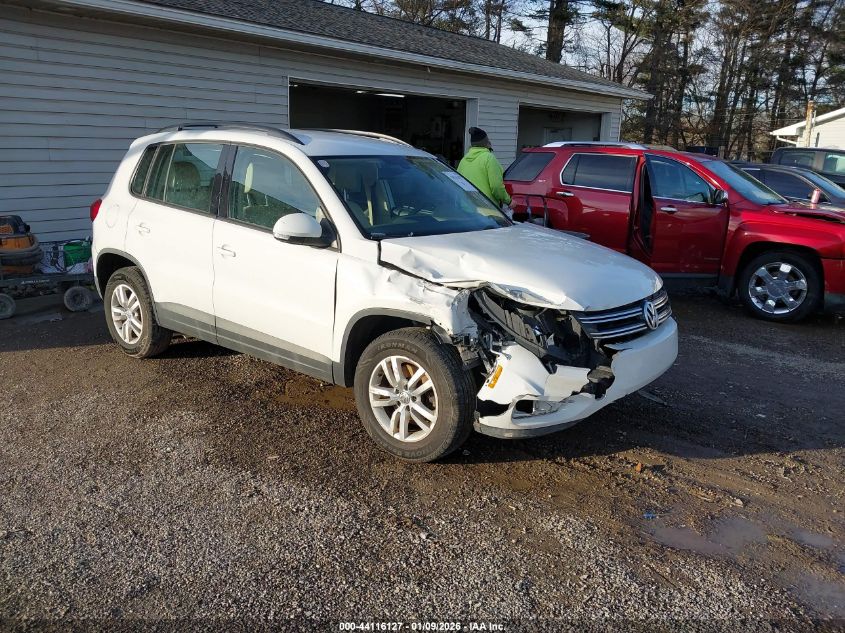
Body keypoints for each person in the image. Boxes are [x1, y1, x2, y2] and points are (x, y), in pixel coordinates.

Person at [457, 127, 512, 210]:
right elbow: (496, 186)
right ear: (487, 143)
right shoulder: (489, 158)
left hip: (466, 209)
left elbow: (457, 184)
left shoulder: (463, 160)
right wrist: (509, 201)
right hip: (486, 210)